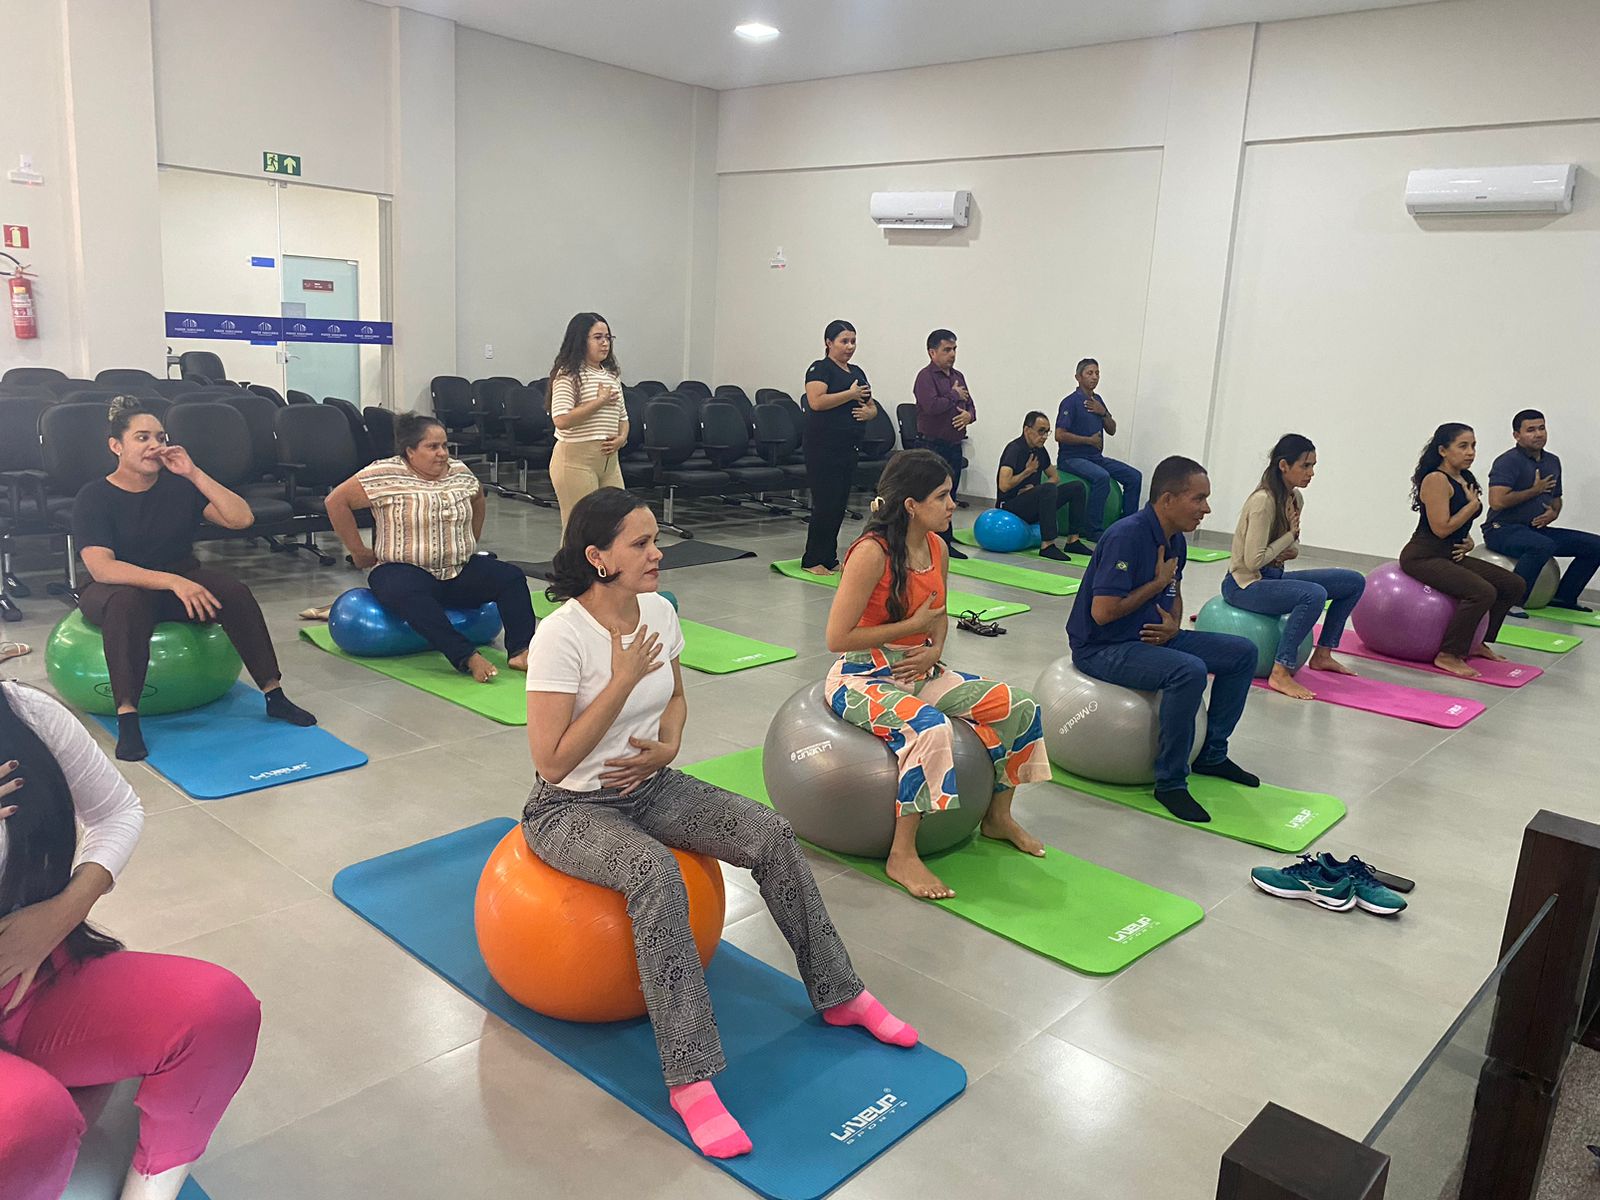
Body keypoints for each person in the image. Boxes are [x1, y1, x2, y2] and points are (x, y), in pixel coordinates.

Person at [523, 488, 916, 1161]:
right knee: (655, 875)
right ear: (598, 557)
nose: (658, 552)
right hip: (570, 808)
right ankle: (690, 1077)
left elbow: (674, 698)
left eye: (655, 539)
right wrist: (618, 681)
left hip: (651, 786)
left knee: (771, 832)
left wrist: (669, 744)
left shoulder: (656, 612)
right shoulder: (561, 635)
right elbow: (552, 760)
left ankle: (840, 992)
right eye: (641, 543)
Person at [0, 678, 261, 1200]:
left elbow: (117, 810)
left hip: (30, 973)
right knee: (29, 1121)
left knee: (218, 1010)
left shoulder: (24, 713)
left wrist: (64, 912)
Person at [824, 450, 1050, 900]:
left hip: (921, 671)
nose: (953, 504)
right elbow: (837, 637)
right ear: (911, 504)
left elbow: (940, 614)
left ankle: (998, 817)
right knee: (930, 729)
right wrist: (913, 628)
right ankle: (902, 854)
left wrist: (935, 650)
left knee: (1021, 706)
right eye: (943, 496)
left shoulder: (937, 547)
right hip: (861, 677)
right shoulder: (870, 554)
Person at [73, 398, 317, 762]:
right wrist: (173, 582)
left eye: (160, 436)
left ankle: (274, 694)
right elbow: (102, 568)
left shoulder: (178, 486)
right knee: (127, 604)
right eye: (141, 437)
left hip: (179, 578)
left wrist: (193, 473)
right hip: (115, 588)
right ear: (116, 446)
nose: (154, 445)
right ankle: (128, 718)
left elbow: (241, 519)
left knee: (234, 592)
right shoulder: (94, 496)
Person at [1066, 456, 1259, 824]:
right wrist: (1155, 584)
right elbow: (1102, 614)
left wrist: (1173, 622)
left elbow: (1174, 587)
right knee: (1189, 671)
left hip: (1154, 637)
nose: (1206, 509)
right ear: (1167, 499)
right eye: (1199, 499)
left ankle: (1212, 753)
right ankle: (1170, 782)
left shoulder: (1175, 540)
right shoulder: (1127, 536)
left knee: (1242, 653)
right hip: (1104, 646)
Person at [324, 412, 536, 684]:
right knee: (409, 594)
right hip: (403, 570)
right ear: (410, 451)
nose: (442, 453)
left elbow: (478, 498)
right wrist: (358, 550)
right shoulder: (383, 473)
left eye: (445, 446)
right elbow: (335, 502)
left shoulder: (459, 470)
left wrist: (470, 540)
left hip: (456, 570)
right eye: (432, 447)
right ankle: (466, 656)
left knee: (511, 577)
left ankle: (520, 650)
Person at [1222, 434, 1365, 700]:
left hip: (1273, 576)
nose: (1311, 473)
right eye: (1305, 466)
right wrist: (1288, 537)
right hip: (1245, 585)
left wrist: (1289, 543)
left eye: (1313, 466)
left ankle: (1323, 654)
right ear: (1284, 465)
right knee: (1314, 594)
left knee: (1353, 581)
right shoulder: (1263, 501)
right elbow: (1253, 561)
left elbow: (1292, 550)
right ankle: (1280, 670)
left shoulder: (1295, 499)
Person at [1399, 423, 1524, 678]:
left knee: (1513, 584)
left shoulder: (1464, 479)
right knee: (1482, 592)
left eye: (1473, 446)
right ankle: (1448, 654)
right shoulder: (1436, 479)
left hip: (1450, 555)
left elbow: (1455, 527)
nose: (1470, 452)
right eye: (1463, 446)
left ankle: (1477, 641)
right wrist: (1472, 507)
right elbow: (1441, 528)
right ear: (1443, 450)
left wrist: (1467, 540)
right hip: (1423, 556)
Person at [1485, 409, 1600, 613]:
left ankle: (1564, 597)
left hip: (1535, 530)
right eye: (1530, 430)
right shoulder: (1507, 461)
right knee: (1541, 546)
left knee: (1595, 545)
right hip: (1501, 530)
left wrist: (1553, 514)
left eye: (1541, 428)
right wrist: (1534, 490)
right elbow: (1497, 502)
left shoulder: (1552, 461)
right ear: (1516, 435)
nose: (1538, 434)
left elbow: (1556, 499)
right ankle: (1512, 602)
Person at [801, 320, 879, 574]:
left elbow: (871, 404)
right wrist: (850, 394)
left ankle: (829, 556)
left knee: (838, 505)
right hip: (823, 447)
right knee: (825, 503)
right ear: (828, 343)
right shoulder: (819, 369)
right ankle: (813, 559)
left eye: (853, 341)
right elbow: (816, 401)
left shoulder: (856, 372)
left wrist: (870, 413)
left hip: (849, 446)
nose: (850, 346)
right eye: (844, 341)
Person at [546, 312, 627, 532]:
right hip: (576, 461)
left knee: (617, 522)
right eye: (598, 337)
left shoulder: (611, 375)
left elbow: (623, 417)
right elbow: (561, 420)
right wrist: (598, 402)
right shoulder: (568, 374)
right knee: (579, 527)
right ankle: (572, 567)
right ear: (581, 341)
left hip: (609, 461)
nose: (604, 343)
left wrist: (621, 438)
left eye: (608, 337)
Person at [1055, 358, 1142, 540]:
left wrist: (1103, 412)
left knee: (1134, 477)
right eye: (1090, 373)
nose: (1094, 377)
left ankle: (1127, 525)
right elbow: (1059, 435)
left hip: (1095, 457)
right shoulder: (1070, 402)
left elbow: (1112, 429)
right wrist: (1088, 440)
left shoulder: (1098, 401)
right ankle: (1093, 529)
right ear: (1078, 377)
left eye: (1097, 373)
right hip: (1071, 458)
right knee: (1101, 477)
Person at [911, 328, 976, 558]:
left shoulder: (958, 376)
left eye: (954, 349)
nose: (952, 354)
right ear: (932, 352)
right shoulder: (925, 377)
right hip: (931, 446)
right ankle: (927, 542)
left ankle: (945, 543)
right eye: (947, 349)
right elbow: (932, 407)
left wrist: (969, 415)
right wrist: (953, 396)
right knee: (931, 497)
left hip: (953, 445)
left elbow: (971, 407)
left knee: (950, 496)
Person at [997, 411, 1088, 562]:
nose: (1044, 436)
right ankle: (1047, 545)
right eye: (1041, 431)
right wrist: (1027, 472)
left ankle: (1073, 540)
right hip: (1010, 505)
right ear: (1027, 430)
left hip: (1031, 503)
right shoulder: (1014, 449)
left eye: (1047, 432)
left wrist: (1035, 491)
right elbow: (1004, 485)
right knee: (1048, 489)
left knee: (1077, 487)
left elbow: (1055, 477)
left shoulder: (1040, 451)